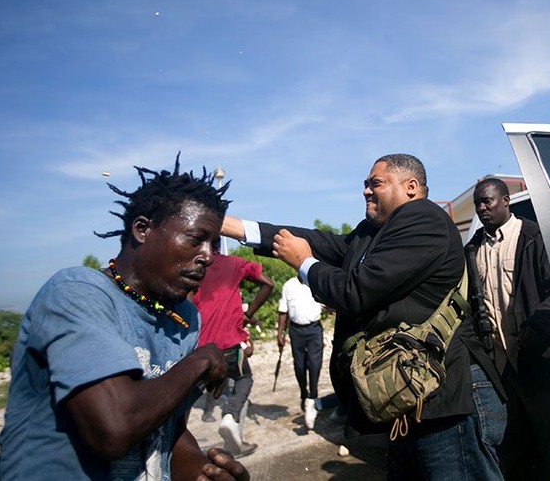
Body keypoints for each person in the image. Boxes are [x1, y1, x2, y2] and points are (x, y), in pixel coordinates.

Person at [221, 153, 500, 480]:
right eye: (365, 185)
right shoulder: (373, 232)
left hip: (445, 397)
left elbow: (355, 292)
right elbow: (318, 241)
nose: (366, 191)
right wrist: (233, 227)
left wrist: (305, 264)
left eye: (375, 183)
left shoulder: (424, 219)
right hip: (409, 393)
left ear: (410, 187)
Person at [0, 156, 250, 480]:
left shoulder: (185, 318)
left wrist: (203, 471)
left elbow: (167, 432)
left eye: (214, 245)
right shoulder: (77, 294)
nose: (208, 256)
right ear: (143, 229)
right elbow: (113, 429)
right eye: (195, 238)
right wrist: (199, 361)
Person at [467, 178, 550, 480]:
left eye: (488, 201)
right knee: (512, 442)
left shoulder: (534, 236)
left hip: (537, 359)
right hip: (499, 366)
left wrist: (537, 329)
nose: (482, 208)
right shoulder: (473, 248)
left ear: (506, 200)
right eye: (478, 203)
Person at [192, 239, 274, 458]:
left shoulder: (194, 266)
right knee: (243, 379)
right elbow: (268, 283)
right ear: (219, 244)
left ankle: (178, 448)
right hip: (229, 344)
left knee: (190, 395)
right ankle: (230, 417)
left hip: (199, 348)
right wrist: (248, 315)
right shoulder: (234, 263)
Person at [276, 276, 324, 431]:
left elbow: (328, 303)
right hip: (296, 330)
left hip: (315, 329)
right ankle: (304, 393)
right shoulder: (289, 285)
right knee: (299, 366)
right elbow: (283, 311)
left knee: (315, 364)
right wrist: (280, 334)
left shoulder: (317, 282)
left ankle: (313, 397)